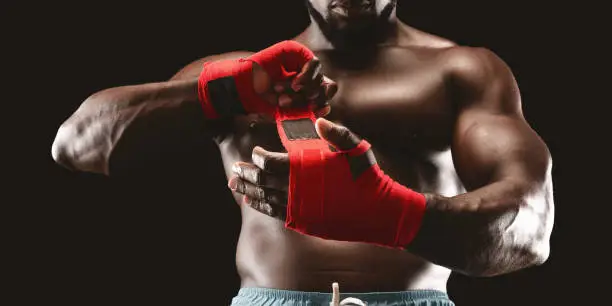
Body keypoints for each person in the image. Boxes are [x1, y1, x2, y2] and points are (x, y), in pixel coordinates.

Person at [51, 0, 555, 305]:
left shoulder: (462, 71)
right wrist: (226, 92)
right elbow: (77, 144)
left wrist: (388, 214)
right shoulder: (239, 73)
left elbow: (530, 230)